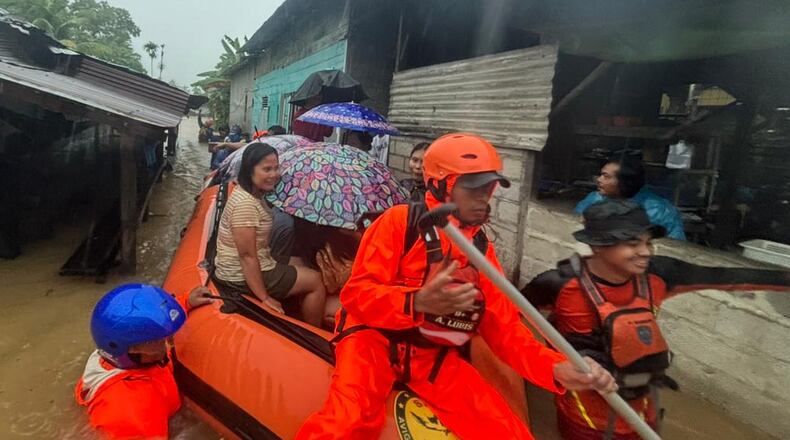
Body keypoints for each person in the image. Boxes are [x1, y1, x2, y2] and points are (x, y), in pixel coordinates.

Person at [297, 133, 617, 439]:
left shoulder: (478, 248)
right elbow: (357, 296)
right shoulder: (398, 223)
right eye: (472, 188)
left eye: (489, 187)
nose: (484, 197)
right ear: (439, 184)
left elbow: (505, 329)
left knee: (504, 428)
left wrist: (556, 369)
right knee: (347, 422)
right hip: (371, 342)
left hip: (430, 351)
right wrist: (416, 301)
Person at [521, 199, 790, 439]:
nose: (646, 252)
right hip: (583, 414)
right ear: (598, 245)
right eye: (633, 243)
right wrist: (549, 363)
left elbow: (728, 279)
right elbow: (511, 319)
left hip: (643, 408)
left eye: (648, 242)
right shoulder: (557, 284)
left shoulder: (660, 274)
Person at [75, 284, 214, 439]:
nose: (168, 339)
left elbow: (149, 323)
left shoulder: (128, 350)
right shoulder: (132, 411)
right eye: (160, 338)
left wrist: (185, 302)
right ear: (134, 348)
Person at [212, 142, 327, 327]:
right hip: (238, 275)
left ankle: (300, 305)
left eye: (276, 168)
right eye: (267, 169)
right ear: (250, 170)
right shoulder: (245, 205)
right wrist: (264, 297)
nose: (274, 174)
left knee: (305, 261)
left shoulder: (254, 193)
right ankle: (314, 332)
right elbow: (247, 256)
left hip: (262, 258)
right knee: (316, 280)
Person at [575, 154, 686, 240]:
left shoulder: (660, 210)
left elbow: (677, 246)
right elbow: (576, 226)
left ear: (624, 182)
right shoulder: (594, 199)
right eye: (600, 175)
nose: (599, 180)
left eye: (606, 176)